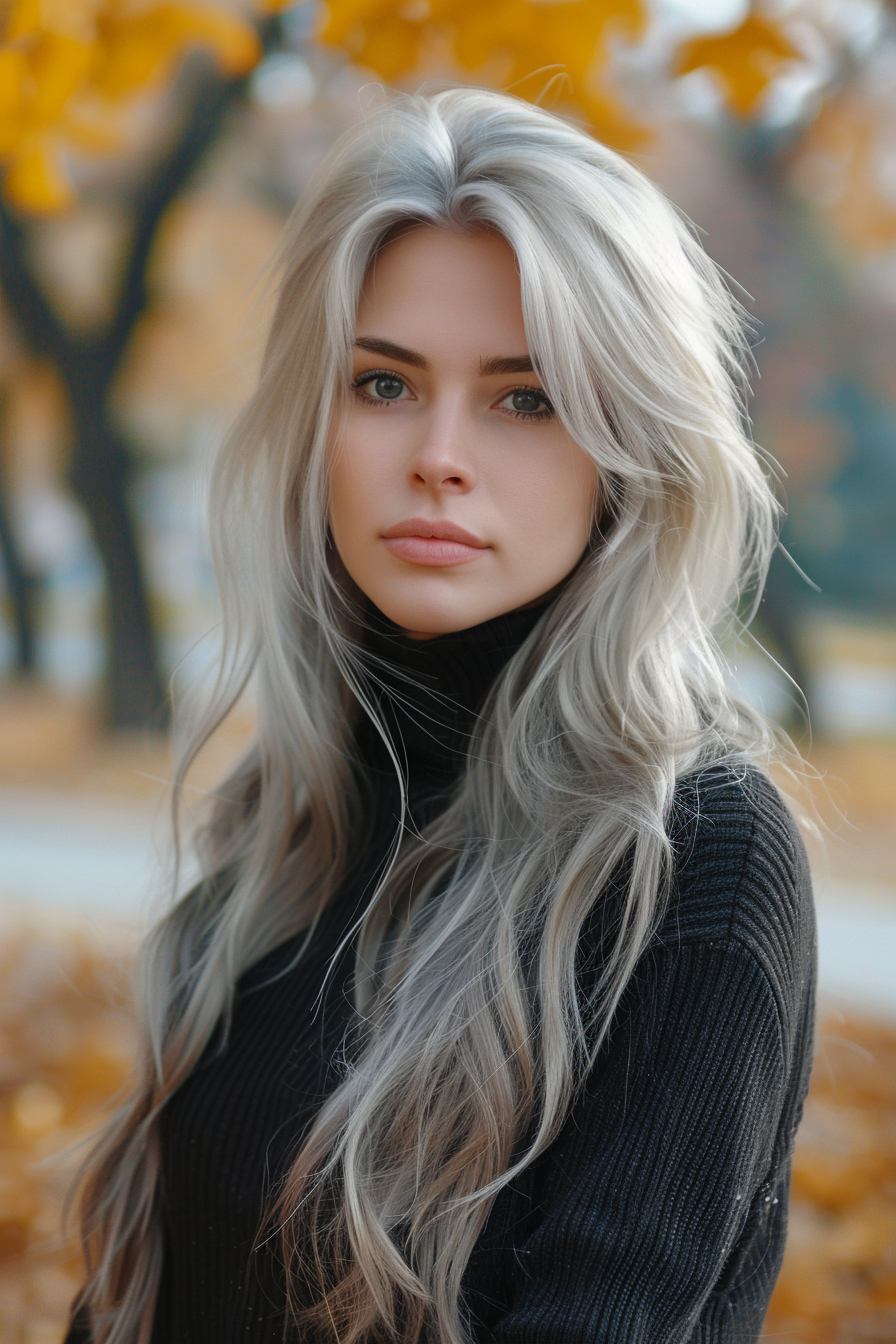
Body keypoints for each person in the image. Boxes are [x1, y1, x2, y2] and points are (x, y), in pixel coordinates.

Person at [65, 86, 816, 1344]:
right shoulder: (294, 819)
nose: (440, 455)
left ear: (625, 449)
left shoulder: (692, 858)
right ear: (316, 421)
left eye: (524, 399)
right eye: (383, 384)